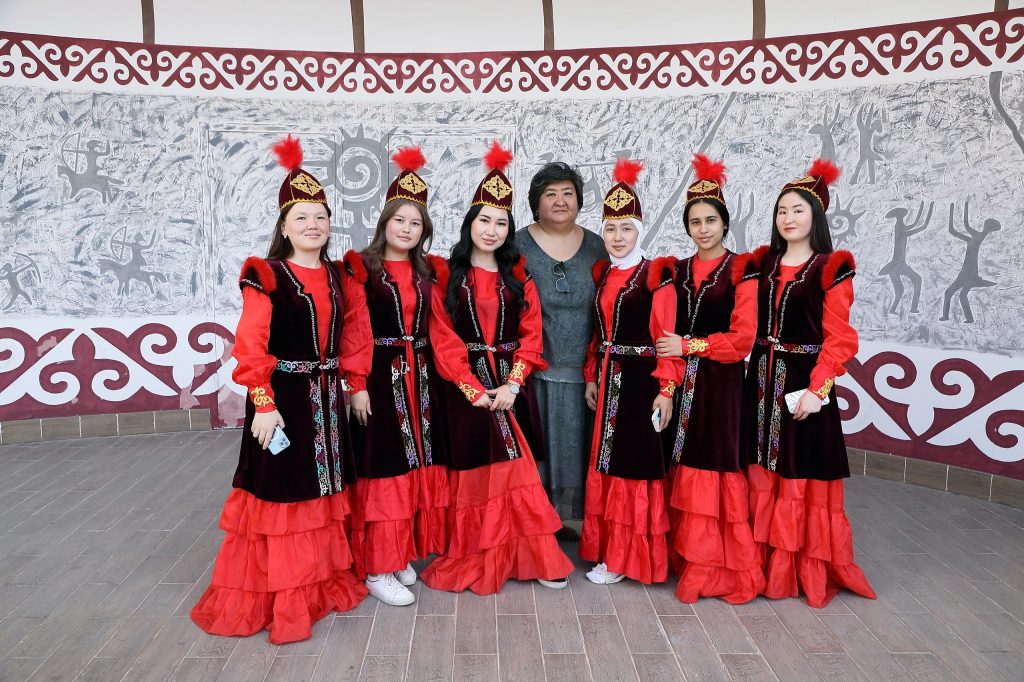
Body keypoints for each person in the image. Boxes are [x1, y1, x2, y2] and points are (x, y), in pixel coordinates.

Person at [191, 135, 367, 644]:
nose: (313, 225)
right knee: (283, 495)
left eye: (321, 216)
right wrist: (263, 404)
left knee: (322, 490)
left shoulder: (339, 275)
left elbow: (354, 336)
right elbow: (251, 343)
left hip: (327, 401)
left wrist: (356, 385)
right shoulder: (266, 276)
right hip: (283, 399)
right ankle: (285, 598)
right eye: (302, 217)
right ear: (284, 226)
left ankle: (319, 584)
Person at [420, 141, 574, 595]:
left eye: (501, 222)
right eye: (484, 220)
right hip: (464, 390)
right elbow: (443, 339)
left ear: (510, 229)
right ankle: (482, 555)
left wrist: (512, 384)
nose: (491, 230)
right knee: (479, 476)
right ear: (470, 223)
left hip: (509, 386)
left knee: (517, 471)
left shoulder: (518, 275)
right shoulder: (447, 276)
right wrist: (473, 390)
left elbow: (532, 335)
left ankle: (535, 557)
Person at [741, 159, 876, 608]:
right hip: (760, 381)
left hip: (803, 382)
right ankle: (758, 565)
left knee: (799, 473)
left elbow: (840, 338)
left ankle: (796, 571)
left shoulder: (831, 268)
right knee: (760, 469)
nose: (788, 218)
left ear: (815, 216)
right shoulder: (762, 263)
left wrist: (819, 391)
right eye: (782, 210)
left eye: (798, 210)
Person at [654, 154, 765, 604]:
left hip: (721, 388)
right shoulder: (676, 272)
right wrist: (668, 381)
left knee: (714, 466)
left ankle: (716, 567)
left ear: (725, 222)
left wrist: (689, 345)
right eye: (695, 221)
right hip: (680, 386)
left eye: (711, 220)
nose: (703, 229)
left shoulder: (743, 269)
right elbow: (663, 332)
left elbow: (742, 340)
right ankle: (685, 557)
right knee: (680, 462)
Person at [341, 147, 449, 607]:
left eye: (415, 223)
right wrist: (357, 385)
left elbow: (440, 329)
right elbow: (354, 329)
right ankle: (377, 567)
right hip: (381, 379)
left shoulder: (429, 271)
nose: (406, 229)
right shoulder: (361, 269)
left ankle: (398, 550)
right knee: (384, 468)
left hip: (421, 380)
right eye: (399, 220)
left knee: (414, 466)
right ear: (384, 222)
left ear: (424, 230)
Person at [580, 158, 681, 586]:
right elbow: (597, 332)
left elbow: (667, 337)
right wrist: (591, 375)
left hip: (641, 384)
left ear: (639, 230)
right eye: (610, 229)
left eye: (625, 228)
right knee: (607, 463)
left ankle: (626, 559)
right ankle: (610, 550)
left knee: (632, 468)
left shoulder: (656, 276)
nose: (617, 237)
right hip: (609, 382)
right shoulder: (604, 273)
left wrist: (667, 389)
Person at [518, 162, 607, 530]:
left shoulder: (599, 246)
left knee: (583, 447)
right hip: (531, 371)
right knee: (534, 448)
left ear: (579, 201)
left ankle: (576, 520)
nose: (560, 201)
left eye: (568, 193)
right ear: (535, 202)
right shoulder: (515, 245)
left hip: (587, 374)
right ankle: (537, 523)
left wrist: (596, 369)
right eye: (550, 193)